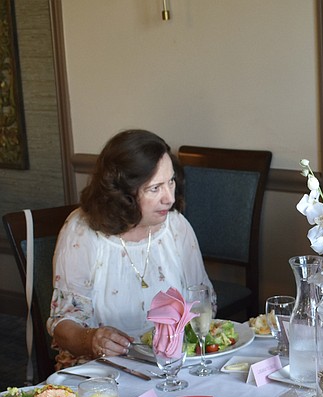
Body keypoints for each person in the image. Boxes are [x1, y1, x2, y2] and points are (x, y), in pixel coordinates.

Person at [47, 129, 216, 369]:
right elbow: (63, 324)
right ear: (121, 193)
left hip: (173, 365)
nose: (169, 198)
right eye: (154, 188)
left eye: (171, 182)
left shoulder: (176, 225)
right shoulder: (82, 231)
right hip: (103, 370)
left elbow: (202, 301)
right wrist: (90, 339)